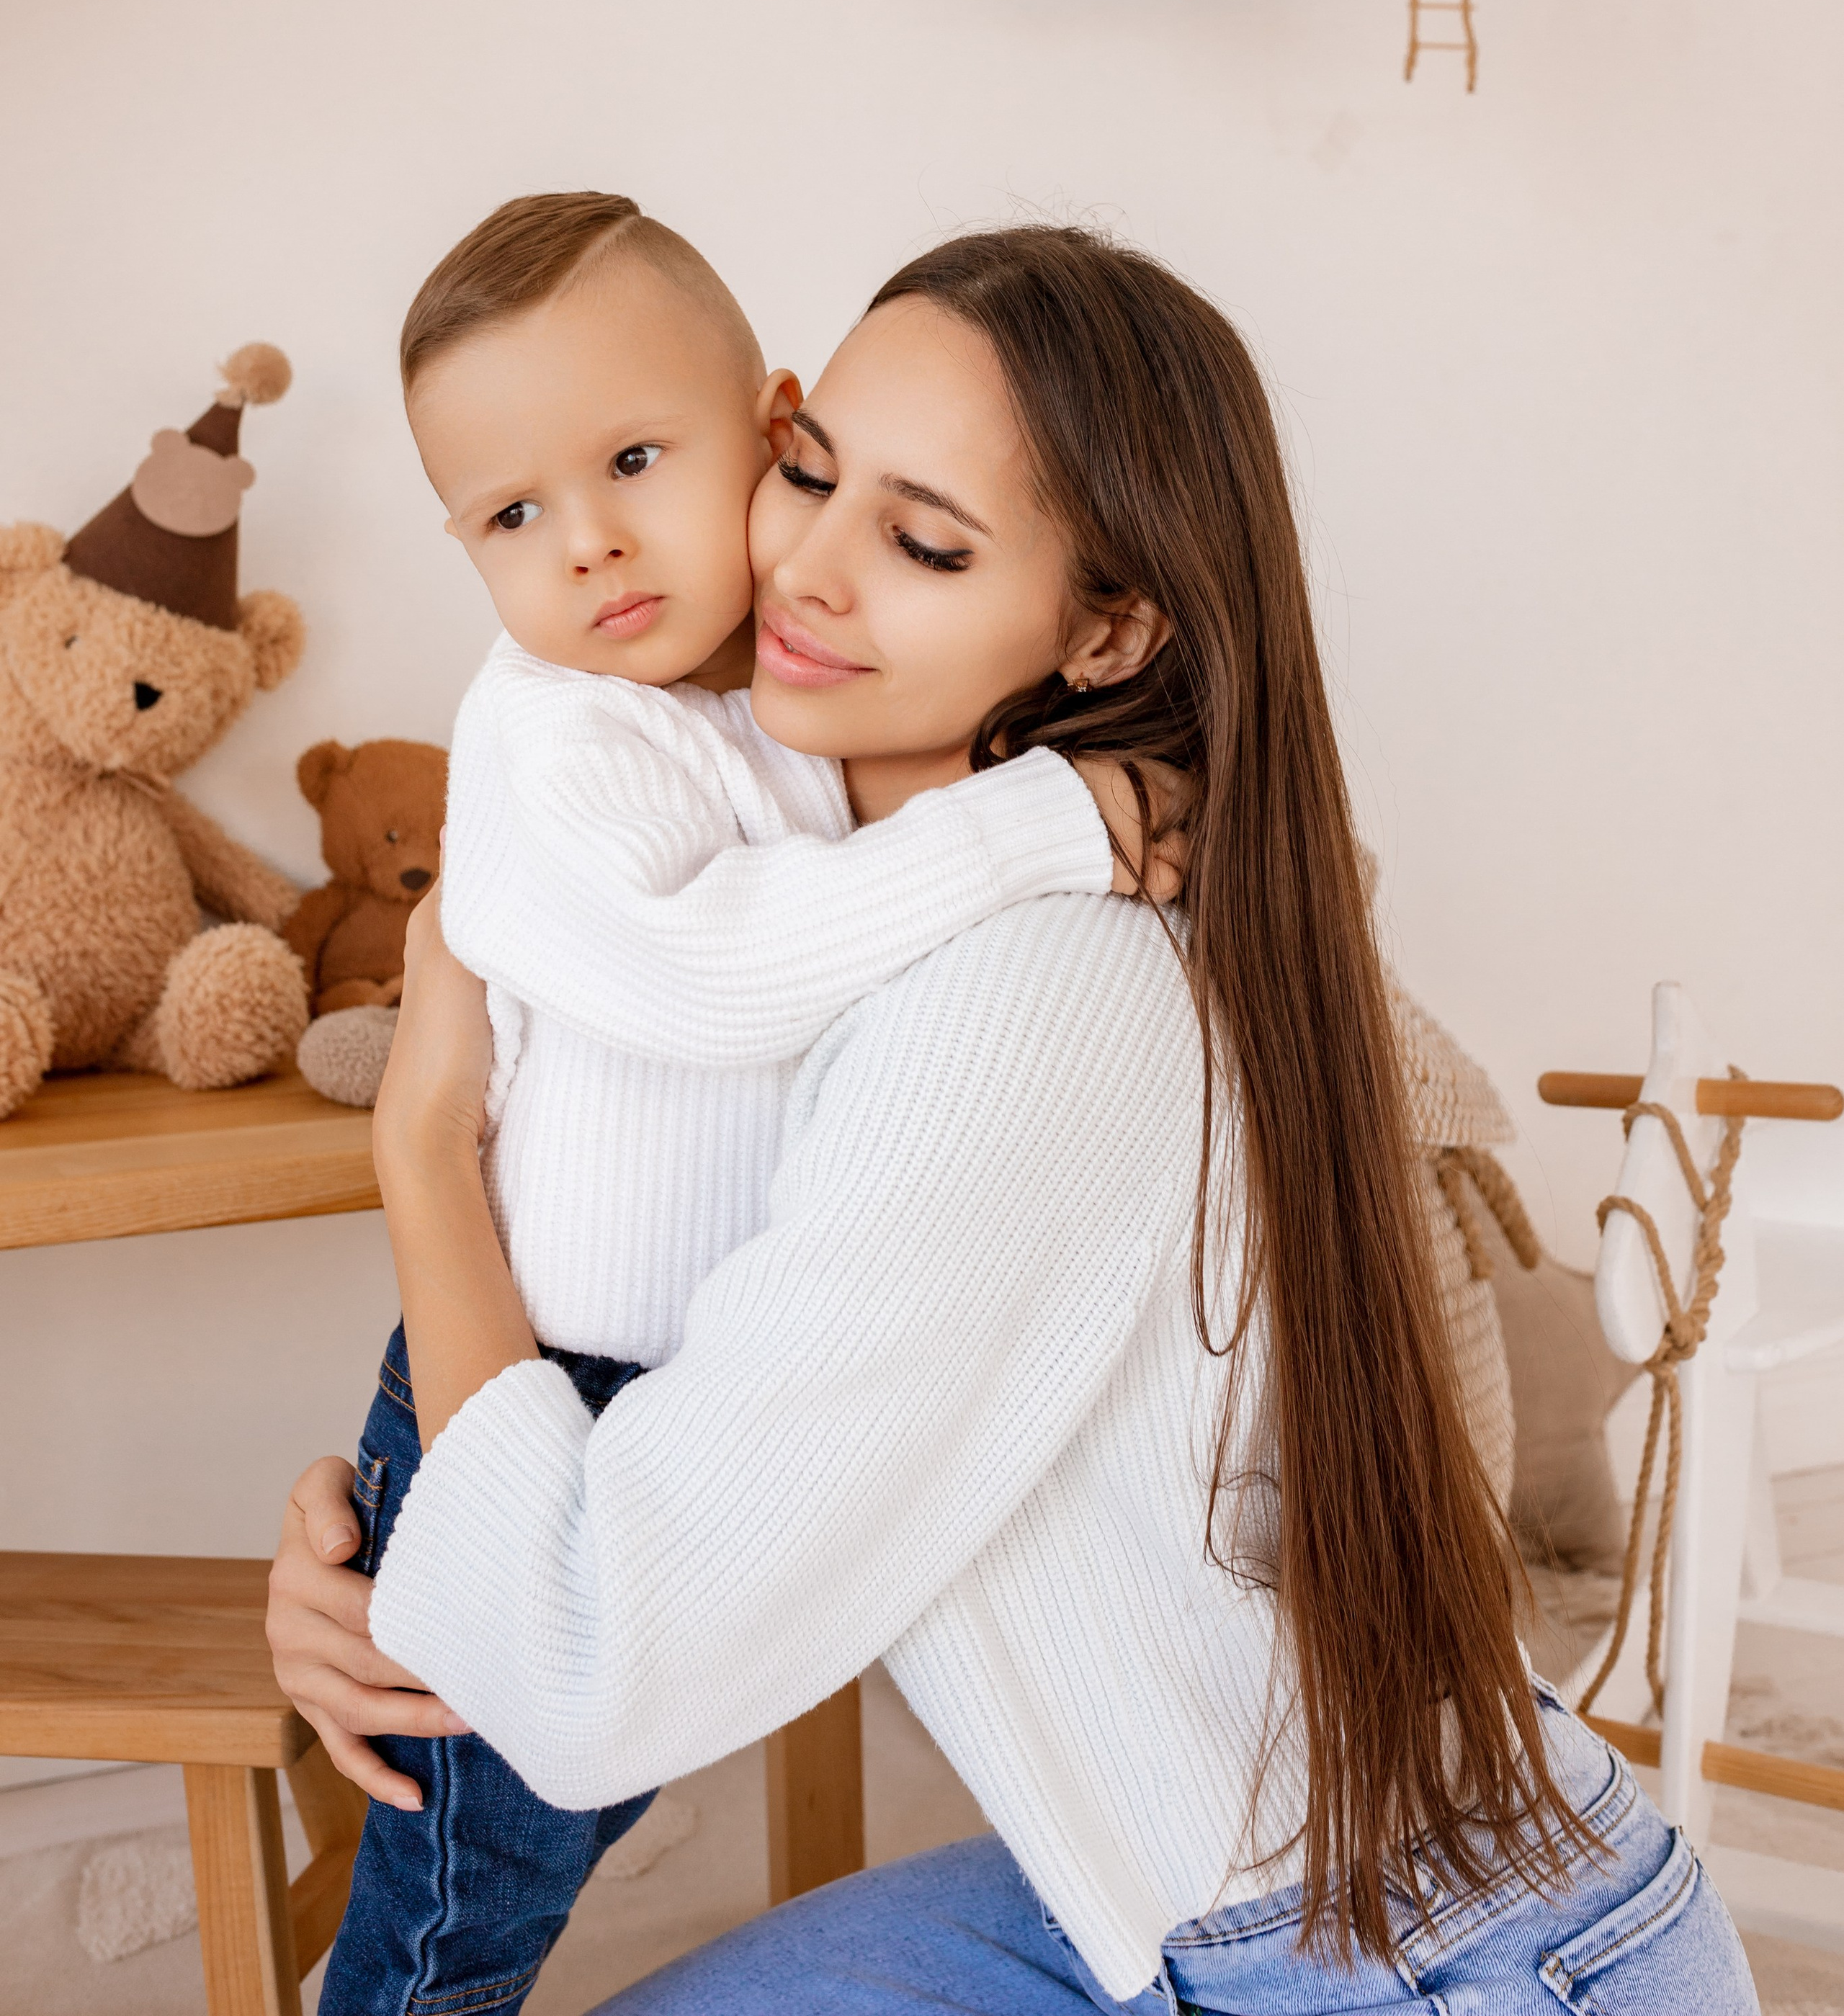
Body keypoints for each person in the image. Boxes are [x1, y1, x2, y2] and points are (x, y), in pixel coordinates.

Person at [269, 226, 1757, 2014]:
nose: (807, 568)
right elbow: (712, 1422)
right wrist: (403, 1562)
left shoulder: (1021, 1000)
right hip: (1262, 1879)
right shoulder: (859, 880)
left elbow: (588, 1670)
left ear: (1107, 622)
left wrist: (423, 1154)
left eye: (921, 541)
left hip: (1437, 1970)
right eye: (810, 474)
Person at [318, 194, 1150, 2016]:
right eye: (512, 517)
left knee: (541, 1813)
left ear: (754, 423)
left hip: (680, 1408)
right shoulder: (557, 727)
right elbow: (714, 976)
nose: (592, 548)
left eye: (634, 460)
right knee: (460, 1904)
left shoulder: (789, 719)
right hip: (541, 1377)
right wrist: (1040, 827)